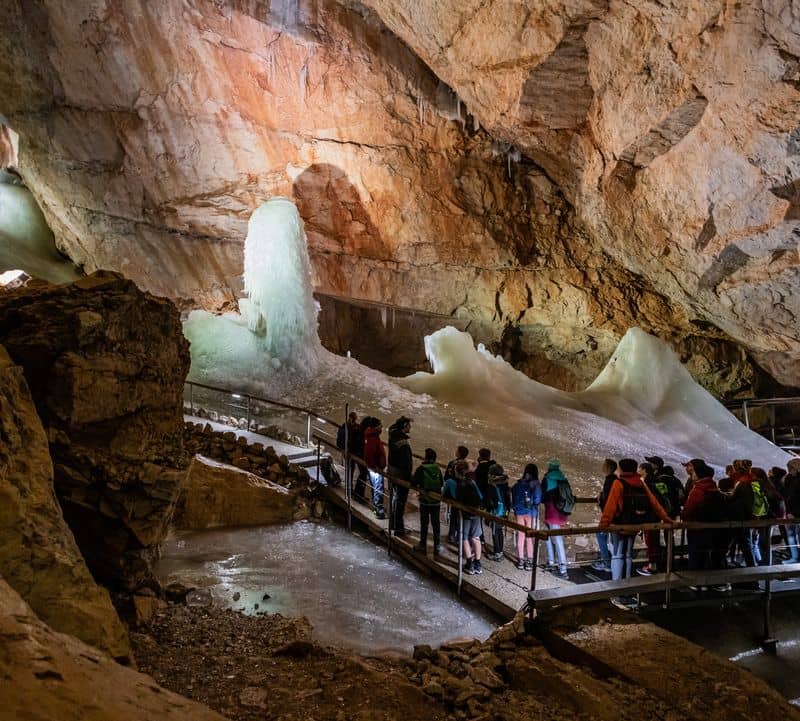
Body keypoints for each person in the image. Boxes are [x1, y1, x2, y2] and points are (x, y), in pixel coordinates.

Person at [600, 458, 672, 581]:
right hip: (635, 524)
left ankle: (617, 586)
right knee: (628, 554)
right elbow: (654, 503)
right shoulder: (641, 483)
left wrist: (603, 525)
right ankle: (628, 583)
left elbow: (610, 506)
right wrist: (666, 519)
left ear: (622, 469)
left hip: (620, 525)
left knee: (618, 555)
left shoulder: (619, 483)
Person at [681, 461, 727, 578]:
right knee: (709, 554)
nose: (692, 474)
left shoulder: (698, 489)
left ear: (699, 474)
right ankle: (711, 580)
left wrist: (684, 516)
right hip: (714, 527)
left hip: (696, 527)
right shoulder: (714, 488)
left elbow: (689, 509)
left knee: (696, 554)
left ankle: (695, 580)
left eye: (694, 472)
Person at [412, 448, 444, 556]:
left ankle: (422, 545)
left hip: (425, 500)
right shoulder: (437, 468)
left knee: (424, 524)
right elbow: (441, 483)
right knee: (436, 523)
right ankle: (437, 546)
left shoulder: (421, 469)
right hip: (436, 501)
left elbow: (414, 482)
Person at [541, 458, 570, 577]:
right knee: (551, 537)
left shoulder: (548, 478)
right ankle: (552, 562)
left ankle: (563, 569)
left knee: (555, 539)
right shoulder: (563, 478)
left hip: (551, 512)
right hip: (562, 512)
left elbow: (542, 496)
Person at [455, 460, 483, 575]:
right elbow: (480, 497)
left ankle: (469, 564)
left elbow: (458, 499)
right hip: (476, 512)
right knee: (476, 537)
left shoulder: (459, 484)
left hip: (465, 514)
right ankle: (478, 564)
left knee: (464, 538)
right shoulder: (472, 482)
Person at [512, 463, 541, 570]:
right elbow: (537, 500)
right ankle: (529, 560)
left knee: (520, 535)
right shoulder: (536, 484)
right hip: (531, 513)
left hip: (519, 512)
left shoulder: (518, 483)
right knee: (529, 536)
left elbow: (513, 496)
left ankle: (520, 560)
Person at [387, 416, 413, 536]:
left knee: (395, 499)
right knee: (400, 502)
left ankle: (392, 523)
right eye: (409, 425)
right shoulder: (403, 444)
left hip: (392, 472)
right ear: (404, 427)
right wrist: (410, 480)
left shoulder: (392, 435)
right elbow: (406, 464)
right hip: (400, 476)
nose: (410, 427)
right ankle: (399, 529)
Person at [592, 459, 618, 572]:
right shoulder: (615, 480)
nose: (602, 466)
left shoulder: (609, 480)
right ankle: (611, 562)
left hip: (609, 516)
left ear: (607, 468)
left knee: (601, 535)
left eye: (604, 465)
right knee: (610, 538)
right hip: (614, 516)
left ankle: (607, 563)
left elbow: (607, 499)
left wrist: (601, 500)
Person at [638, 461, 661, 575]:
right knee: (654, 541)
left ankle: (652, 567)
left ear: (645, 471)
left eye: (640, 469)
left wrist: (641, 511)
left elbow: (646, 501)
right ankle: (654, 564)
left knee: (651, 542)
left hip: (649, 517)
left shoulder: (647, 484)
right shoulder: (656, 482)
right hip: (656, 516)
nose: (638, 471)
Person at [443, 446, 468, 544]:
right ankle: (460, 536)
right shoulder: (467, 465)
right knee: (461, 516)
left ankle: (451, 535)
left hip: (454, 493)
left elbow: (446, 477)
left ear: (459, 453)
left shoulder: (453, 463)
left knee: (454, 514)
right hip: (464, 494)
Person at [485, 463, 510, 561]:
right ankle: (500, 551)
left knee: (495, 532)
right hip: (504, 512)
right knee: (499, 531)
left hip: (495, 512)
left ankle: (497, 553)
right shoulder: (504, 483)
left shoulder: (491, 485)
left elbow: (489, 501)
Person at [363, 418, 386, 520]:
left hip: (374, 467)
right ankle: (378, 509)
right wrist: (374, 467)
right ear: (376, 427)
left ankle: (376, 506)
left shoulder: (372, 436)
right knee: (378, 487)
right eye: (380, 425)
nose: (382, 427)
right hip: (376, 469)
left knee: (376, 487)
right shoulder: (373, 438)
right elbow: (369, 454)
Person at [782, 459, 800, 563]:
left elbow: (793, 497)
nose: (788, 470)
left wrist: (793, 512)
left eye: (790, 468)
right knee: (791, 534)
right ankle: (795, 557)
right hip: (791, 511)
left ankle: (795, 557)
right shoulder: (789, 479)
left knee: (792, 535)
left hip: (794, 512)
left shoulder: (793, 480)